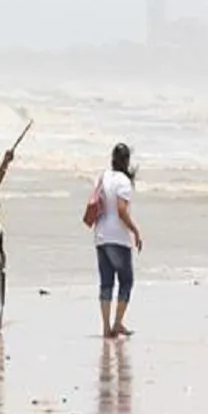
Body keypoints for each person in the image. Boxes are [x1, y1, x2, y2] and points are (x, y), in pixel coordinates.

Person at [92, 143, 142, 339]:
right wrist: (135, 230)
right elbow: (121, 210)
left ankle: (105, 327)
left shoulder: (103, 177)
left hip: (101, 236)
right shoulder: (123, 182)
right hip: (118, 238)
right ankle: (117, 322)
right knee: (126, 281)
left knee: (106, 283)